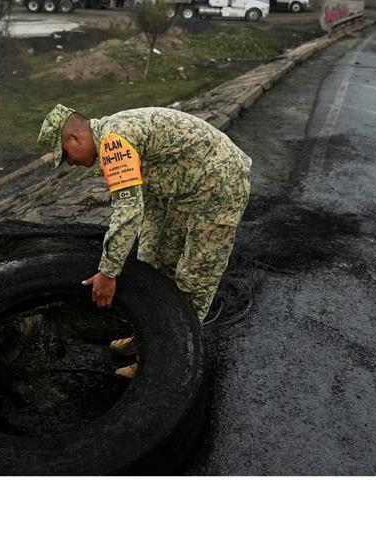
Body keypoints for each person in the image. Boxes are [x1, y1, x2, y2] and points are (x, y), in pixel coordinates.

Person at [37, 104, 252, 380]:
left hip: (221, 186)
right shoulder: (112, 134)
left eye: (66, 155)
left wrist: (108, 272)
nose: (71, 163)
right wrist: (146, 258)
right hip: (186, 189)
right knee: (157, 263)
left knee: (193, 279)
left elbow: (127, 212)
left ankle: (169, 361)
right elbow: (145, 204)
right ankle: (147, 337)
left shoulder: (114, 143)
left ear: (75, 138)